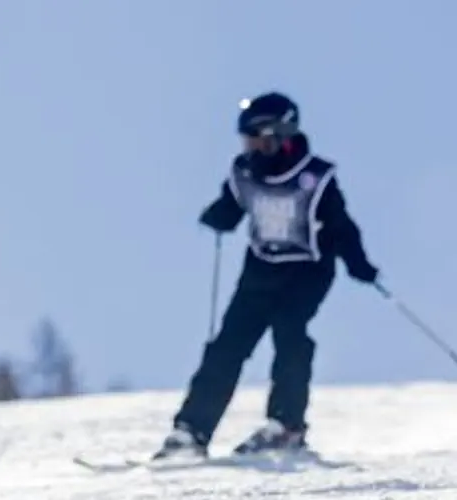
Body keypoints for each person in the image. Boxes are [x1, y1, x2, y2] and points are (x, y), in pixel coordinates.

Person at [154, 92, 380, 460]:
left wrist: (359, 263)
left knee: (290, 335)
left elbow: (341, 227)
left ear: (281, 134)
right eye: (248, 139)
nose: (252, 147)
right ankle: (191, 432)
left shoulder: (314, 177)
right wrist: (218, 217)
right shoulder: (244, 171)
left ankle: (286, 426)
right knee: (228, 346)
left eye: (259, 138)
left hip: (307, 271)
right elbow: (232, 205)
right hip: (260, 270)